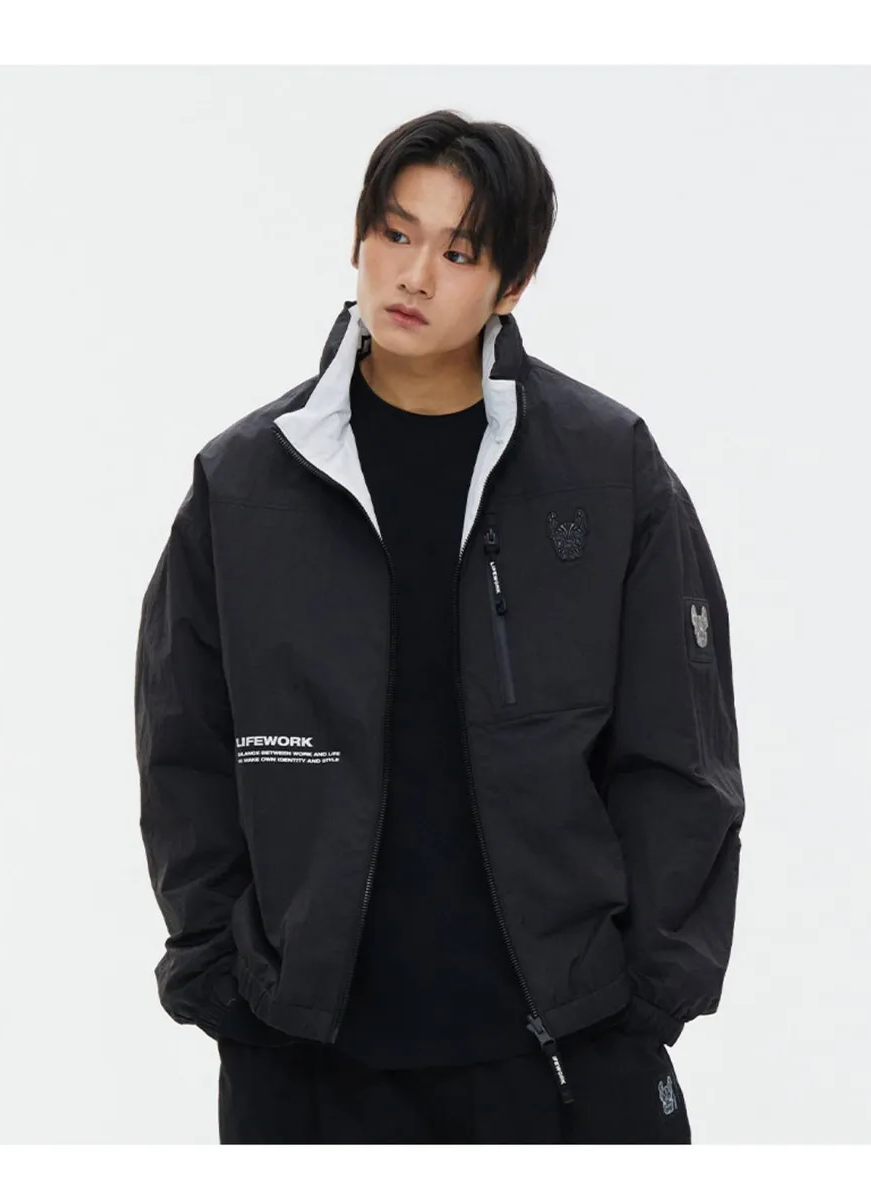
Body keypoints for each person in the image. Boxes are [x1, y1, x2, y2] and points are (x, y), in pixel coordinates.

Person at [134, 109, 745, 1144]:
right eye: (395, 232)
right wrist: (222, 980)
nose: (413, 276)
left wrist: (646, 997)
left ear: (513, 283)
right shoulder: (245, 483)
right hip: (310, 1060)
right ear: (360, 238)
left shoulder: (607, 471)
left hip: (564, 1052)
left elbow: (680, 752)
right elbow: (184, 751)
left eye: (459, 253)